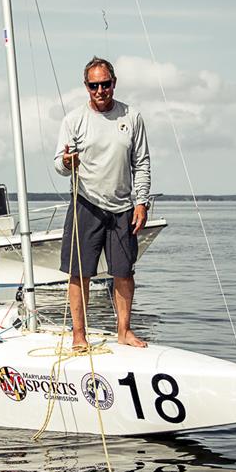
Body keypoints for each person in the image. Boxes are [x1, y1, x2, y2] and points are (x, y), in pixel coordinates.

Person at [54, 57, 151, 348]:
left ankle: (124, 332)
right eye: (94, 85)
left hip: (122, 207)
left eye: (105, 84)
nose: (100, 90)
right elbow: (59, 163)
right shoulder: (74, 120)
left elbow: (142, 163)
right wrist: (68, 162)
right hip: (86, 204)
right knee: (79, 274)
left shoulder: (131, 117)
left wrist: (141, 202)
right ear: (86, 86)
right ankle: (79, 336)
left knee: (123, 272)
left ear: (114, 83)